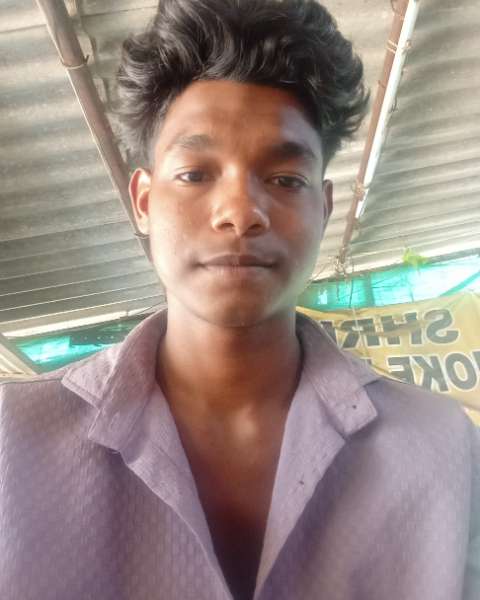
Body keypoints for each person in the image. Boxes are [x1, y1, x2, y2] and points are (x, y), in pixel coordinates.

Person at [0, 0, 478, 598]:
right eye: (195, 174)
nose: (241, 212)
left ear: (324, 208)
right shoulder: (13, 443)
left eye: (285, 180)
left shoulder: (441, 450)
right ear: (143, 201)